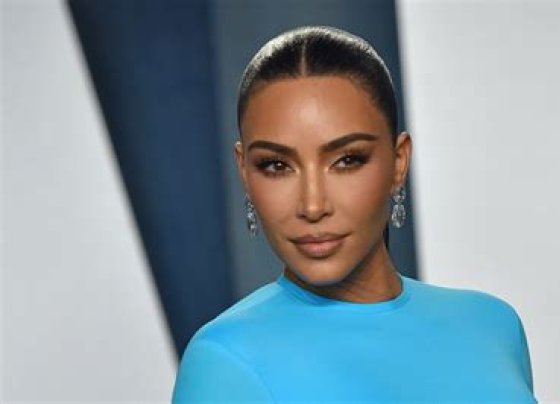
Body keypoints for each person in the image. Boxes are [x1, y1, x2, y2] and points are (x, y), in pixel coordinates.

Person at [172, 25, 536, 403]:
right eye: (276, 165)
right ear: (245, 171)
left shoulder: (492, 326)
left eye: (347, 160)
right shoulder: (224, 360)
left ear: (398, 162)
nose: (313, 205)